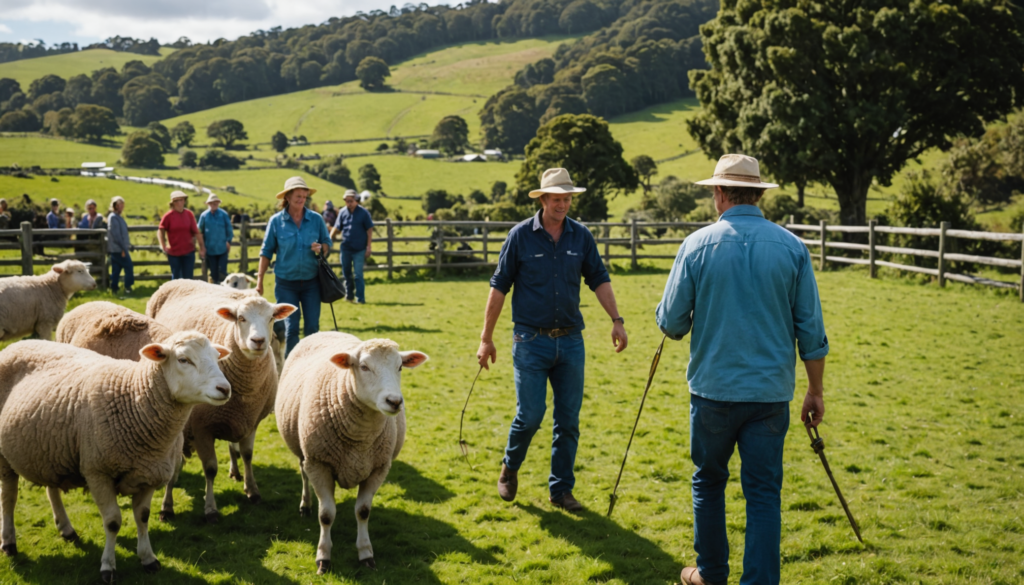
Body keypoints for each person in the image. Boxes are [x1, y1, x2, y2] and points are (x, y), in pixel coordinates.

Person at [655, 154, 829, 585]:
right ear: (758, 193)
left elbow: (672, 324)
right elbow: (811, 330)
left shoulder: (696, 246)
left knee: (709, 483)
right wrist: (815, 390)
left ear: (718, 193)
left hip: (713, 391)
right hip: (770, 395)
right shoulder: (792, 247)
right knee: (764, 495)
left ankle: (711, 575)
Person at [477, 167, 629, 512]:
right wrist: (486, 338)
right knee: (530, 416)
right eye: (556, 198)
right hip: (530, 340)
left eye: (567, 198)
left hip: (572, 341)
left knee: (568, 420)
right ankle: (510, 467)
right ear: (542, 199)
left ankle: (561, 490)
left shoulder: (581, 237)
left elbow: (599, 278)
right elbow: (499, 286)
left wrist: (616, 320)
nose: (562, 204)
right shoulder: (519, 237)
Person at [257, 176, 331, 356]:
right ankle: (291, 370)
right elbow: (266, 251)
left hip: (311, 282)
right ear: (287, 198)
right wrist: (259, 280)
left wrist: (321, 248)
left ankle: (311, 367)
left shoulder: (316, 219)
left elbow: (327, 245)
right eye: (298, 196)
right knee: (292, 328)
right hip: (285, 284)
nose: (301, 199)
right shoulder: (276, 222)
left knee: (312, 326)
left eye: (304, 196)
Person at [329, 189, 373, 304]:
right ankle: (349, 296)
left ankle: (360, 298)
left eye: (351, 201)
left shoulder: (364, 213)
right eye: (347, 201)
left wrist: (368, 246)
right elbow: (337, 228)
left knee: (358, 274)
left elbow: (369, 229)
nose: (349, 203)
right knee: (346, 273)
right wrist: (329, 239)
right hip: (346, 248)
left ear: (357, 200)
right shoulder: (342, 212)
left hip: (359, 248)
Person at [158, 190, 205, 280]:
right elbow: (161, 230)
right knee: (176, 278)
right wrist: (163, 246)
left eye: (181, 200)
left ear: (184, 201)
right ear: (173, 202)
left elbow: (196, 232)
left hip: (188, 252)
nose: (179, 203)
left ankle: (187, 294)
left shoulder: (189, 214)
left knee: (188, 279)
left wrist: (202, 247)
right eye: (176, 201)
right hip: (174, 253)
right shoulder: (168, 216)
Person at [198, 193, 234, 284]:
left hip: (222, 248)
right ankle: (215, 289)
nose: (213, 205)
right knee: (213, 272)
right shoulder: (204, 216)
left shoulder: (223, 214)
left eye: (215, 203)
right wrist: (202, 246)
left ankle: (224, 290)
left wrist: (228, 242)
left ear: (218, 203)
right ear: (208, 204)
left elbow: (229, 229)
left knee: (222, 272)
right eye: (211, 203)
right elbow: (199, 231)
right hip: (209, 249)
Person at [107, 196, 134, 295]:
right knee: (129, 267)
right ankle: (127, 287)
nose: (122, 206)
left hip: (118, 248)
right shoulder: (113, 217)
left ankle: (114, 288)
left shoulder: (117, 217)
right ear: (115, 206)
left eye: (122, 204)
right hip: (118, 249)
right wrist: (123, 248)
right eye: (119, 204)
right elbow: (116, 234)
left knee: (116, 269)